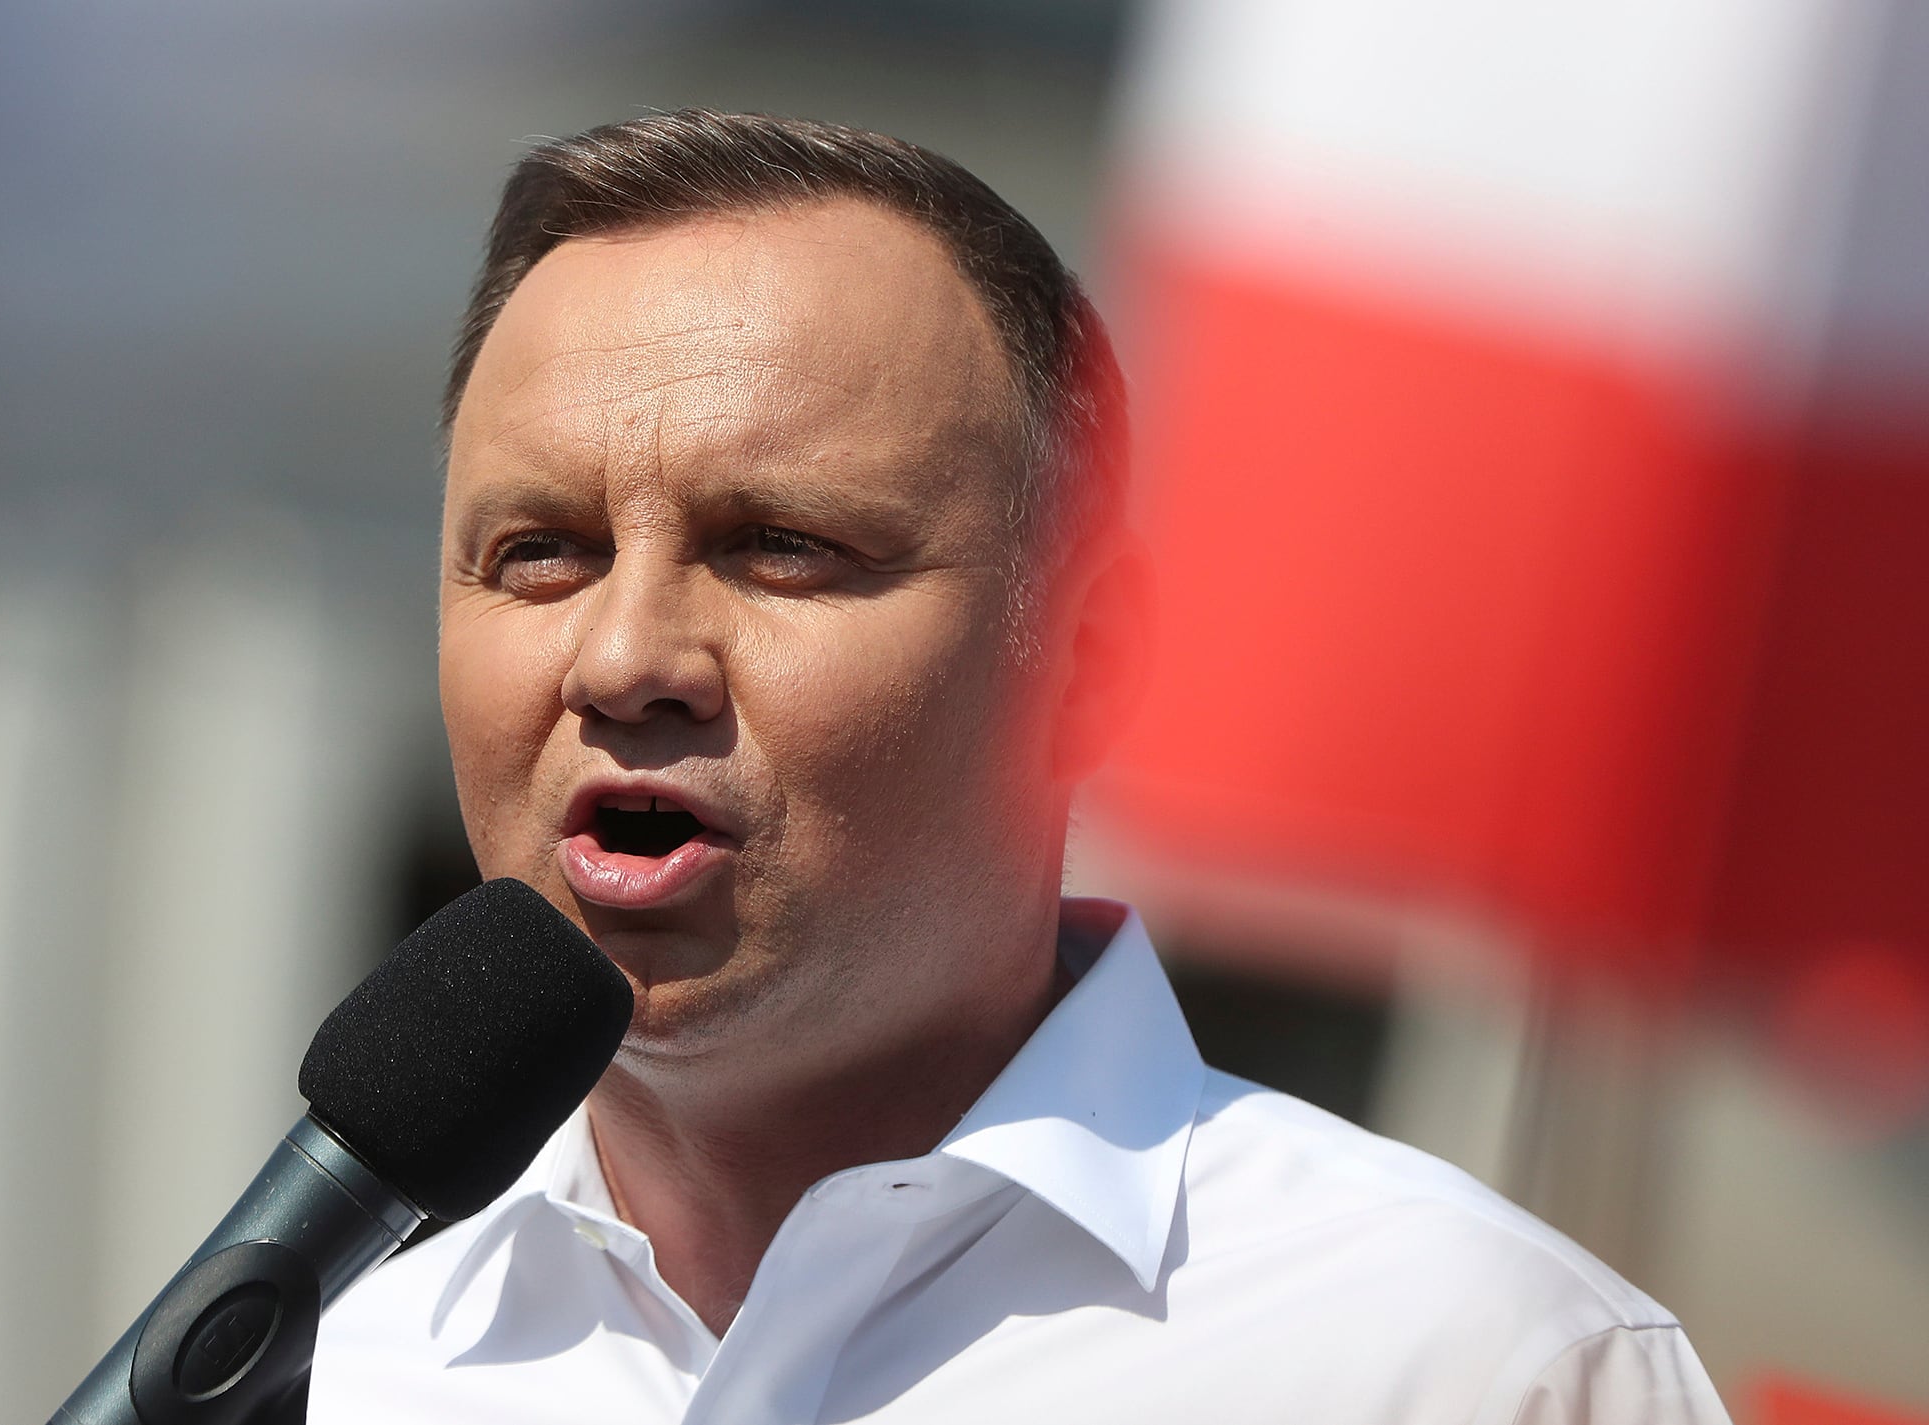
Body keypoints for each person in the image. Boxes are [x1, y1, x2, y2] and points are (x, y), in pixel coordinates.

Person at [308, 109, 1729, 1423]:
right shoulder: (342, 1368)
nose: (621, 657)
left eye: (781, 545)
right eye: (540, 553)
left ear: (1093, 664)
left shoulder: (1474, 1362)